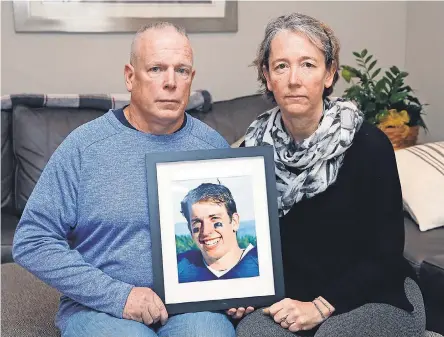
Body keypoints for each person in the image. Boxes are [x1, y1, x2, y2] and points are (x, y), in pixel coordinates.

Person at [12, 22, 236, 337]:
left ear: (192, 78)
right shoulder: (85, 147)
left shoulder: (211, 146)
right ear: (130, 77)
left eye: (181, 71)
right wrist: (120, 297)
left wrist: (236, 289)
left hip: (192, 306)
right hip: (103, 309)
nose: (170, 82)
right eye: (156, 69)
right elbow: (32, 241)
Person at [231, 13, 426, 337]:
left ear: (329, 73)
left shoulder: (369, 146)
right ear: (267, 76)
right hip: (290, 301)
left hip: (376, 295)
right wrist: (239, 289)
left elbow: (386, 254)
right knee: (252, 332)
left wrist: (320, 307)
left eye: (308, 64)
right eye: (281, 66)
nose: (294, 79)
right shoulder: (250, 153)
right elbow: (245, 246)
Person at [177, 183, 259, 283]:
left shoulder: (263, 262)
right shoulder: (178, 269)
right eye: (197, 224)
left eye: (215, 220)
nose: (206, 231)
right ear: (190, 229)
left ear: (234, 222)